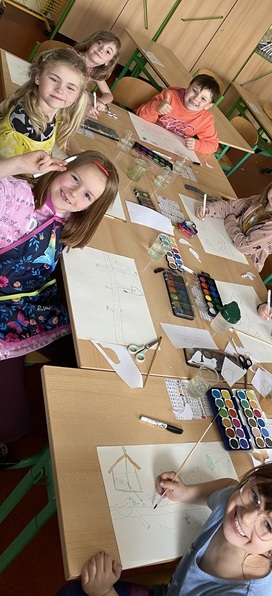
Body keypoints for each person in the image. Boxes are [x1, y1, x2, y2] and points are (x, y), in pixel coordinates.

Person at [56, 460, 272, 596]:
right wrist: (186, 492)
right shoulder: (232, 502)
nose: (246, 517)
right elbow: (228, 486)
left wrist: (104, 592)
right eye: (254, 495)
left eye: (268, 525)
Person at [0, 149, 119, 452]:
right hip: (3, 311)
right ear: (60, 168)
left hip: (30, 305)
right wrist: (17, 165)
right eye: (74, 178)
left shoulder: (68, 219)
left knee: (91, 362)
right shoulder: (17, 197)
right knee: (13, 429)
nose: (74, 193)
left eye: (87, 195)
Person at [196, 173, 272, 272]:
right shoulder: (256, 201)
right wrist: (209, 209)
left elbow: (244, 246)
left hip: (244, 263)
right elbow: (230, 207)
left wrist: (230, 222)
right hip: (228, 240)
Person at [0, 48, 88, 159]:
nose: (60, 90)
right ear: (38, 77)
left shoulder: (54, 113)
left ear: (77, 96)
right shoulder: (21, 123)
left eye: (70, 88)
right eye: (54, 79)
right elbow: (9, 166)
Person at [135, 74, 220, 154]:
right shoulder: (169, 97)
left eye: (203, 98)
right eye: (194, 91)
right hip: (146, 137)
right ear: (187, 88)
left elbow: (213, 145)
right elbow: (140, 116)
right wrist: (157, 107)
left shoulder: (206, 120)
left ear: (208, 106)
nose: (196, 98)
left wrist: (197, 145)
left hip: (170, 149)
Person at [74, 31, 121, 116]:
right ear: (89, 44)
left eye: (108, 52)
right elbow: (66, 90)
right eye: (99, 43)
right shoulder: (72, 59)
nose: (101, 50)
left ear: (108, 62)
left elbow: (109, 95)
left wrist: (101, 101)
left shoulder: (93, 71)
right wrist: (83, 107)